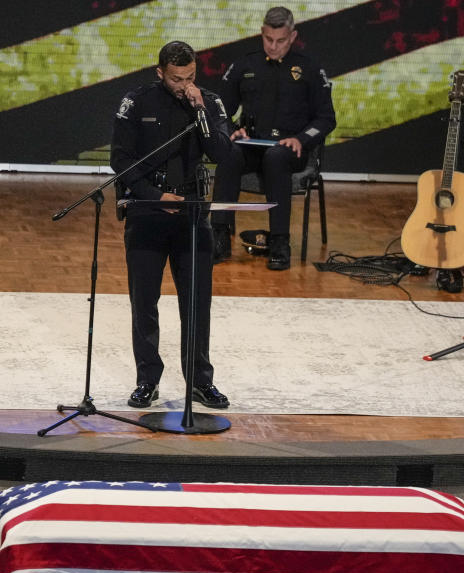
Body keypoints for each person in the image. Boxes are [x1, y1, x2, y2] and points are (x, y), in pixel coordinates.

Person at [111, 41, 234, 410]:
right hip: (148, 210)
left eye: (191, 77)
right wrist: (152, 195)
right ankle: (147, 380)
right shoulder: (136, 102)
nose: (185, 85)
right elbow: (121, 159)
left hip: (191, 210)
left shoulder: (208, 103)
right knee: (144, 301)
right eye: (177, 79)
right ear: (160, 72)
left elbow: (224, 154)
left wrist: (200, 112)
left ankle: (199, 381)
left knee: (197, 302)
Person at [211, 6, 336, 270]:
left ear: (292, 37)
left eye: (280, 41)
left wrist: (301, 139)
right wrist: (232, 129)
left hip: (290, 151)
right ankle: (219, 235)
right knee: (228, 151)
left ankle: (280, 241)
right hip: (252, 146)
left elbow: (326, 119)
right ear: (262, 34)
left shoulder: (310, 68)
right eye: (268, 39)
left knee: (276, 157)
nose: (273, 46)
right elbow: (219, 110)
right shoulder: (245, 64)